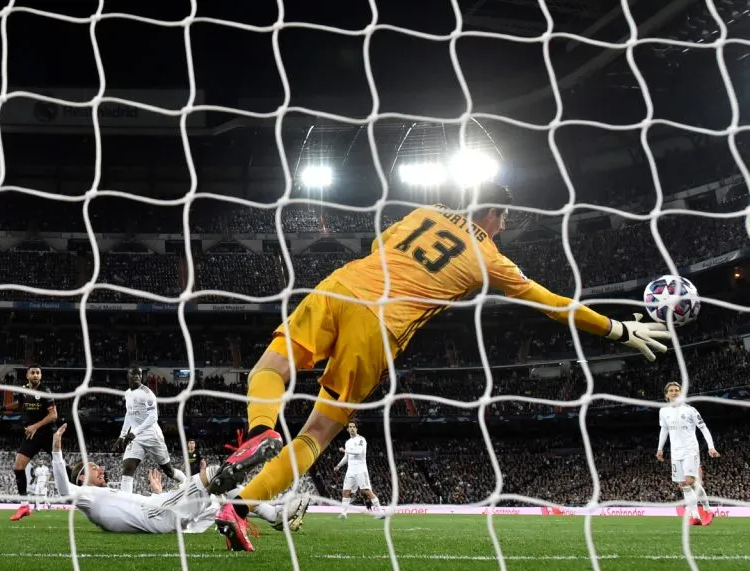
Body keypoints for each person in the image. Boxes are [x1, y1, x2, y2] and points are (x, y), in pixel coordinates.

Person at [209, 183, 674, 552]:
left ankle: (259, 433)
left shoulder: (424, 212)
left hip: (341, 286)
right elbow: (553, 304)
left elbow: (380, 243)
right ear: (492, 214)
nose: (503, 228)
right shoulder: (489, 257)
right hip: (381, 326)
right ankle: (241, 507)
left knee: (269, 367)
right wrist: (617, 329)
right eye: (504, 219)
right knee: (317, 433)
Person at [49, 424, 309, 535]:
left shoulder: (104, 496)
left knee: (218, 495)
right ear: (81, 477)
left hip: (160, 509)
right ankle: (249, 457)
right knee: (214, 475)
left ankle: (273, 512)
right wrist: (57, 450)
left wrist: (157, 492)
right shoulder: (85, 495)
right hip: (158, 514)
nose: (102, 469)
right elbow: (63, 489)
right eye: (94, 468)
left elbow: (128, 513)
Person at [0, 365, 58, 521]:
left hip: (47, 434)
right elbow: (19, 403)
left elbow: (53, 415)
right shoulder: (24, 390)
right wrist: (0, 408)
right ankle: (24, 506)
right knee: (18, 467)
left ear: (41, 375)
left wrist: (35, 426)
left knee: (63, 468)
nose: (35, 375)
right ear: (27, 375)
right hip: (32, 435)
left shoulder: (45, 391)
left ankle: (84, 490)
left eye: (38, 373)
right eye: (33, 372)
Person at [113, 366, 186, 493]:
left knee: (169, 471)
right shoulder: (128, 393)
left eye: (139, 374)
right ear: (128, 376)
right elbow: (129, 414)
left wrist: (134, 432)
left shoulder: (147, 394)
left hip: (152, 436)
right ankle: (125, 501)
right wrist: (122, 435)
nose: (137, 376)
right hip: (136, 438)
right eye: (134, 373)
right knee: (128, 469)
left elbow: (153, 417)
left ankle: (187, 483)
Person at [656, 381, 719, 526]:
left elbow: (703, 428)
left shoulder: (690, 410)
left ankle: (706, 510)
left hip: (690, 449)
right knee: (684, 484)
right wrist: (660, 449)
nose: (674, 392)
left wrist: (711, 447)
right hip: (675, 452)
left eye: (676, 390)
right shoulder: (663, 411)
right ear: (667, 394)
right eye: (671, 390)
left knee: (690, 481)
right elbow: (664, 430)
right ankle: (695, 516)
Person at [333, 422, 383, 519]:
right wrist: (338, 466)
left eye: (353, 427)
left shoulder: (361, 439)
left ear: (356, 429)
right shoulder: (348, 442)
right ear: (348, 429)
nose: (352, 428)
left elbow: (359, 452)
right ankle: (344, 513)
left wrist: (345, 451)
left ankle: (380, 512)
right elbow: (346, 457)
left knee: (366, 491)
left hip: (360, 469)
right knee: (346, 491)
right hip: (350, 470)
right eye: (350, 427)